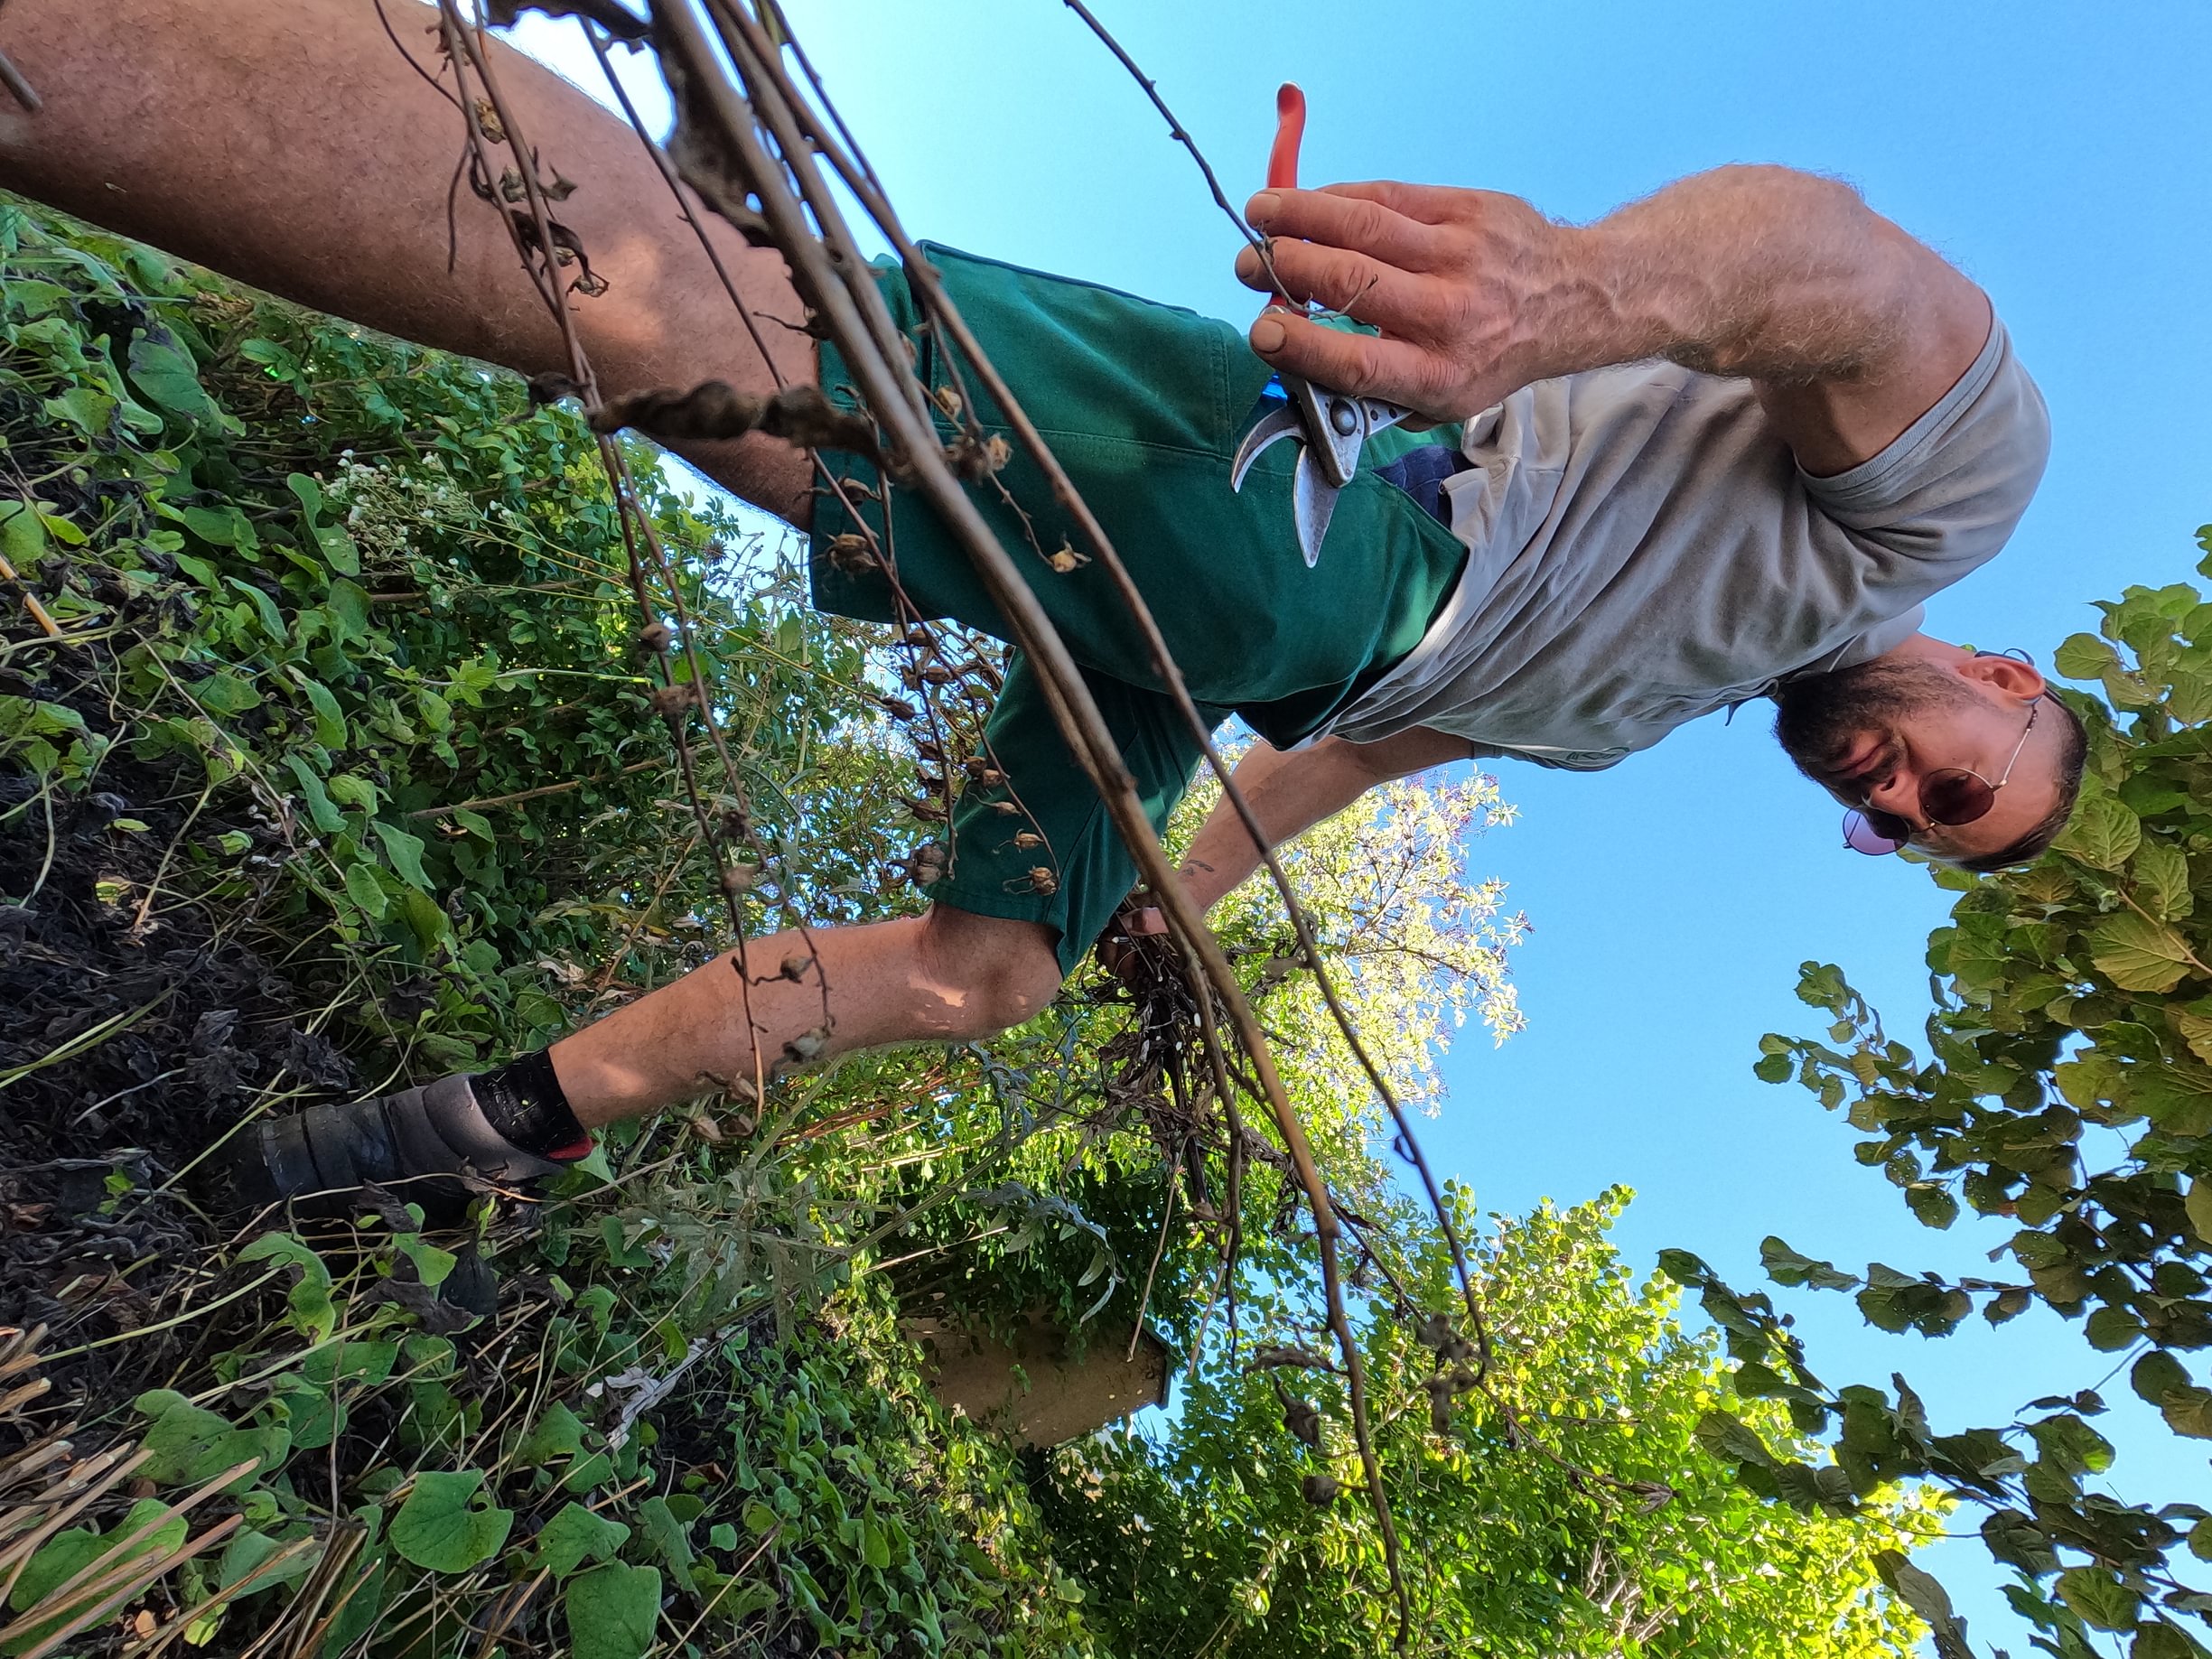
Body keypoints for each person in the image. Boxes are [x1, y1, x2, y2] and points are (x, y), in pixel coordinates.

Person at [0, 0, 2072, 1211]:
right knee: (699, 327)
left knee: (994, 967)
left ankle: (460, 1137)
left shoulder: (1636, 709)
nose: (1895, 804)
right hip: (1336, 524)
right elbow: (1851, 271)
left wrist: (1170, 899)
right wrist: (1573, 295)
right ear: (2001, 681)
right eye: (1959, 791)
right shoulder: (1926, 519)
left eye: (1897, 839)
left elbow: (1342, 759)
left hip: (1265, 649)